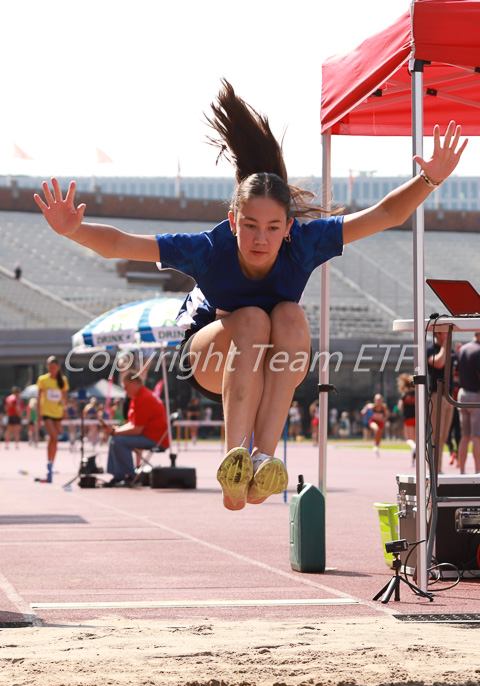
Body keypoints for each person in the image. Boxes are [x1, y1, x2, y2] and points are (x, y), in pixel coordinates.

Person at [34, 79, 467, 510]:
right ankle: (234, 461)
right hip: (211, 361)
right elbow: (121, 244)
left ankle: (262, 460)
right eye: (250, 226)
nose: (261, 239)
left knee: (291, 316)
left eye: (273, 228)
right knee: (253, 320)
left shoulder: (306, 244)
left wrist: (429, 178)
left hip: (272, 360)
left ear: (289, 228)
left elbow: (387, 213)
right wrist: (74, 230)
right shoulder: (208, 248)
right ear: (233, 219)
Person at [102, 370, 169, 486]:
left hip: (155, 439)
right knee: (115, 439)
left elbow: (137, 429)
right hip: (148, 435)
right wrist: (116, 430)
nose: (125, 390)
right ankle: (118, 476)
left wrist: (116, 431)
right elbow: (134, 424)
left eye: (126, 386)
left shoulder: (144, 398)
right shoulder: (137, 397)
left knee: (119, 441)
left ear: (134, 382)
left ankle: (129, 476)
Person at [36, 356, 69, 482]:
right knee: (54, 436)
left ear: (58, 367)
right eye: (50, 367)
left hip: (58, 413)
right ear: (47, 367)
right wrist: (38, 414)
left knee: (54, 440)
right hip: (47, 412)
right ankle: (49, 463)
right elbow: (39, 398)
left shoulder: (63, 380)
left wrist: (65, 410)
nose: (52, 369)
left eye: (54, 367)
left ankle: (51, 463)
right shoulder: (42, 380)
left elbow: (64, 398)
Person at [427, 331, 456, 473]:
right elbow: (439, 363)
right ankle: (433, 468)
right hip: (436, 396)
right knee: (435, 435)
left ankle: (438, 468)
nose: (448, 335)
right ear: (438, 334)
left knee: (444, 436)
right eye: (445, 333)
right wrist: (445, 345)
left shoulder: (450, 349)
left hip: (448, 396)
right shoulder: (430, 350)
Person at [456, 333, 480, 474]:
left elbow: (457, 371)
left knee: (465, 435)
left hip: (462, 394)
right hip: (475, 394)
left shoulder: (464, 349)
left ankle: (462, 471)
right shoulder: (478, 350)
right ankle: (478, 471)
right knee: (477, 436)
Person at [397, 373, 416, 466]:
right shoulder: (419, 393)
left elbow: (400, 407)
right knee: (417, 440)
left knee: (409, 439)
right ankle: (414, 460)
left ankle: (414, 449)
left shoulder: (405, 395)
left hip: (408, 418)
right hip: (418, 419)